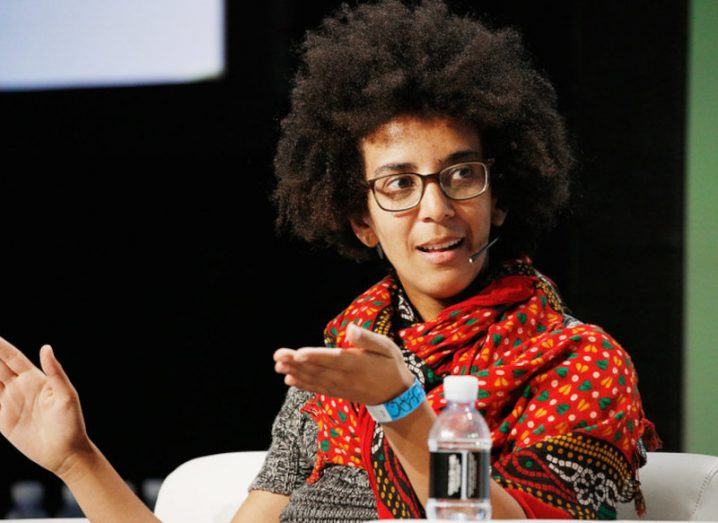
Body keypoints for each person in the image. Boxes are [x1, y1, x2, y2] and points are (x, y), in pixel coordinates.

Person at [0, 1, 660, 522]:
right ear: (359, 219)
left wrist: (404, 408)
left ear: (501, 197)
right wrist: (75, 458)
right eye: (399, 184)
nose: (436, 209)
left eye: (461, 174)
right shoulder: (337, 374)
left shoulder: (579, 363)